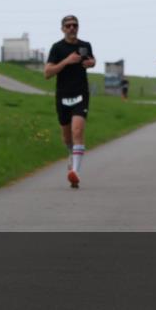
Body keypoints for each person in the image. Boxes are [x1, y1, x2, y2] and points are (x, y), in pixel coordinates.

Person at [43, 15, 96, 189]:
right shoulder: (57, 48)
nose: (72, 28)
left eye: (75, 25)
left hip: (81, 94)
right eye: (68, 26)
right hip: (63, 95)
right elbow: (47, 73)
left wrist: (91, 63)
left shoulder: (85, 45)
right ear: (63, 29)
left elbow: (91, 60)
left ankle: (75, 172)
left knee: (77, 130)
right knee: (67, 137)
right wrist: (66, 61)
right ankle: (71, 156)